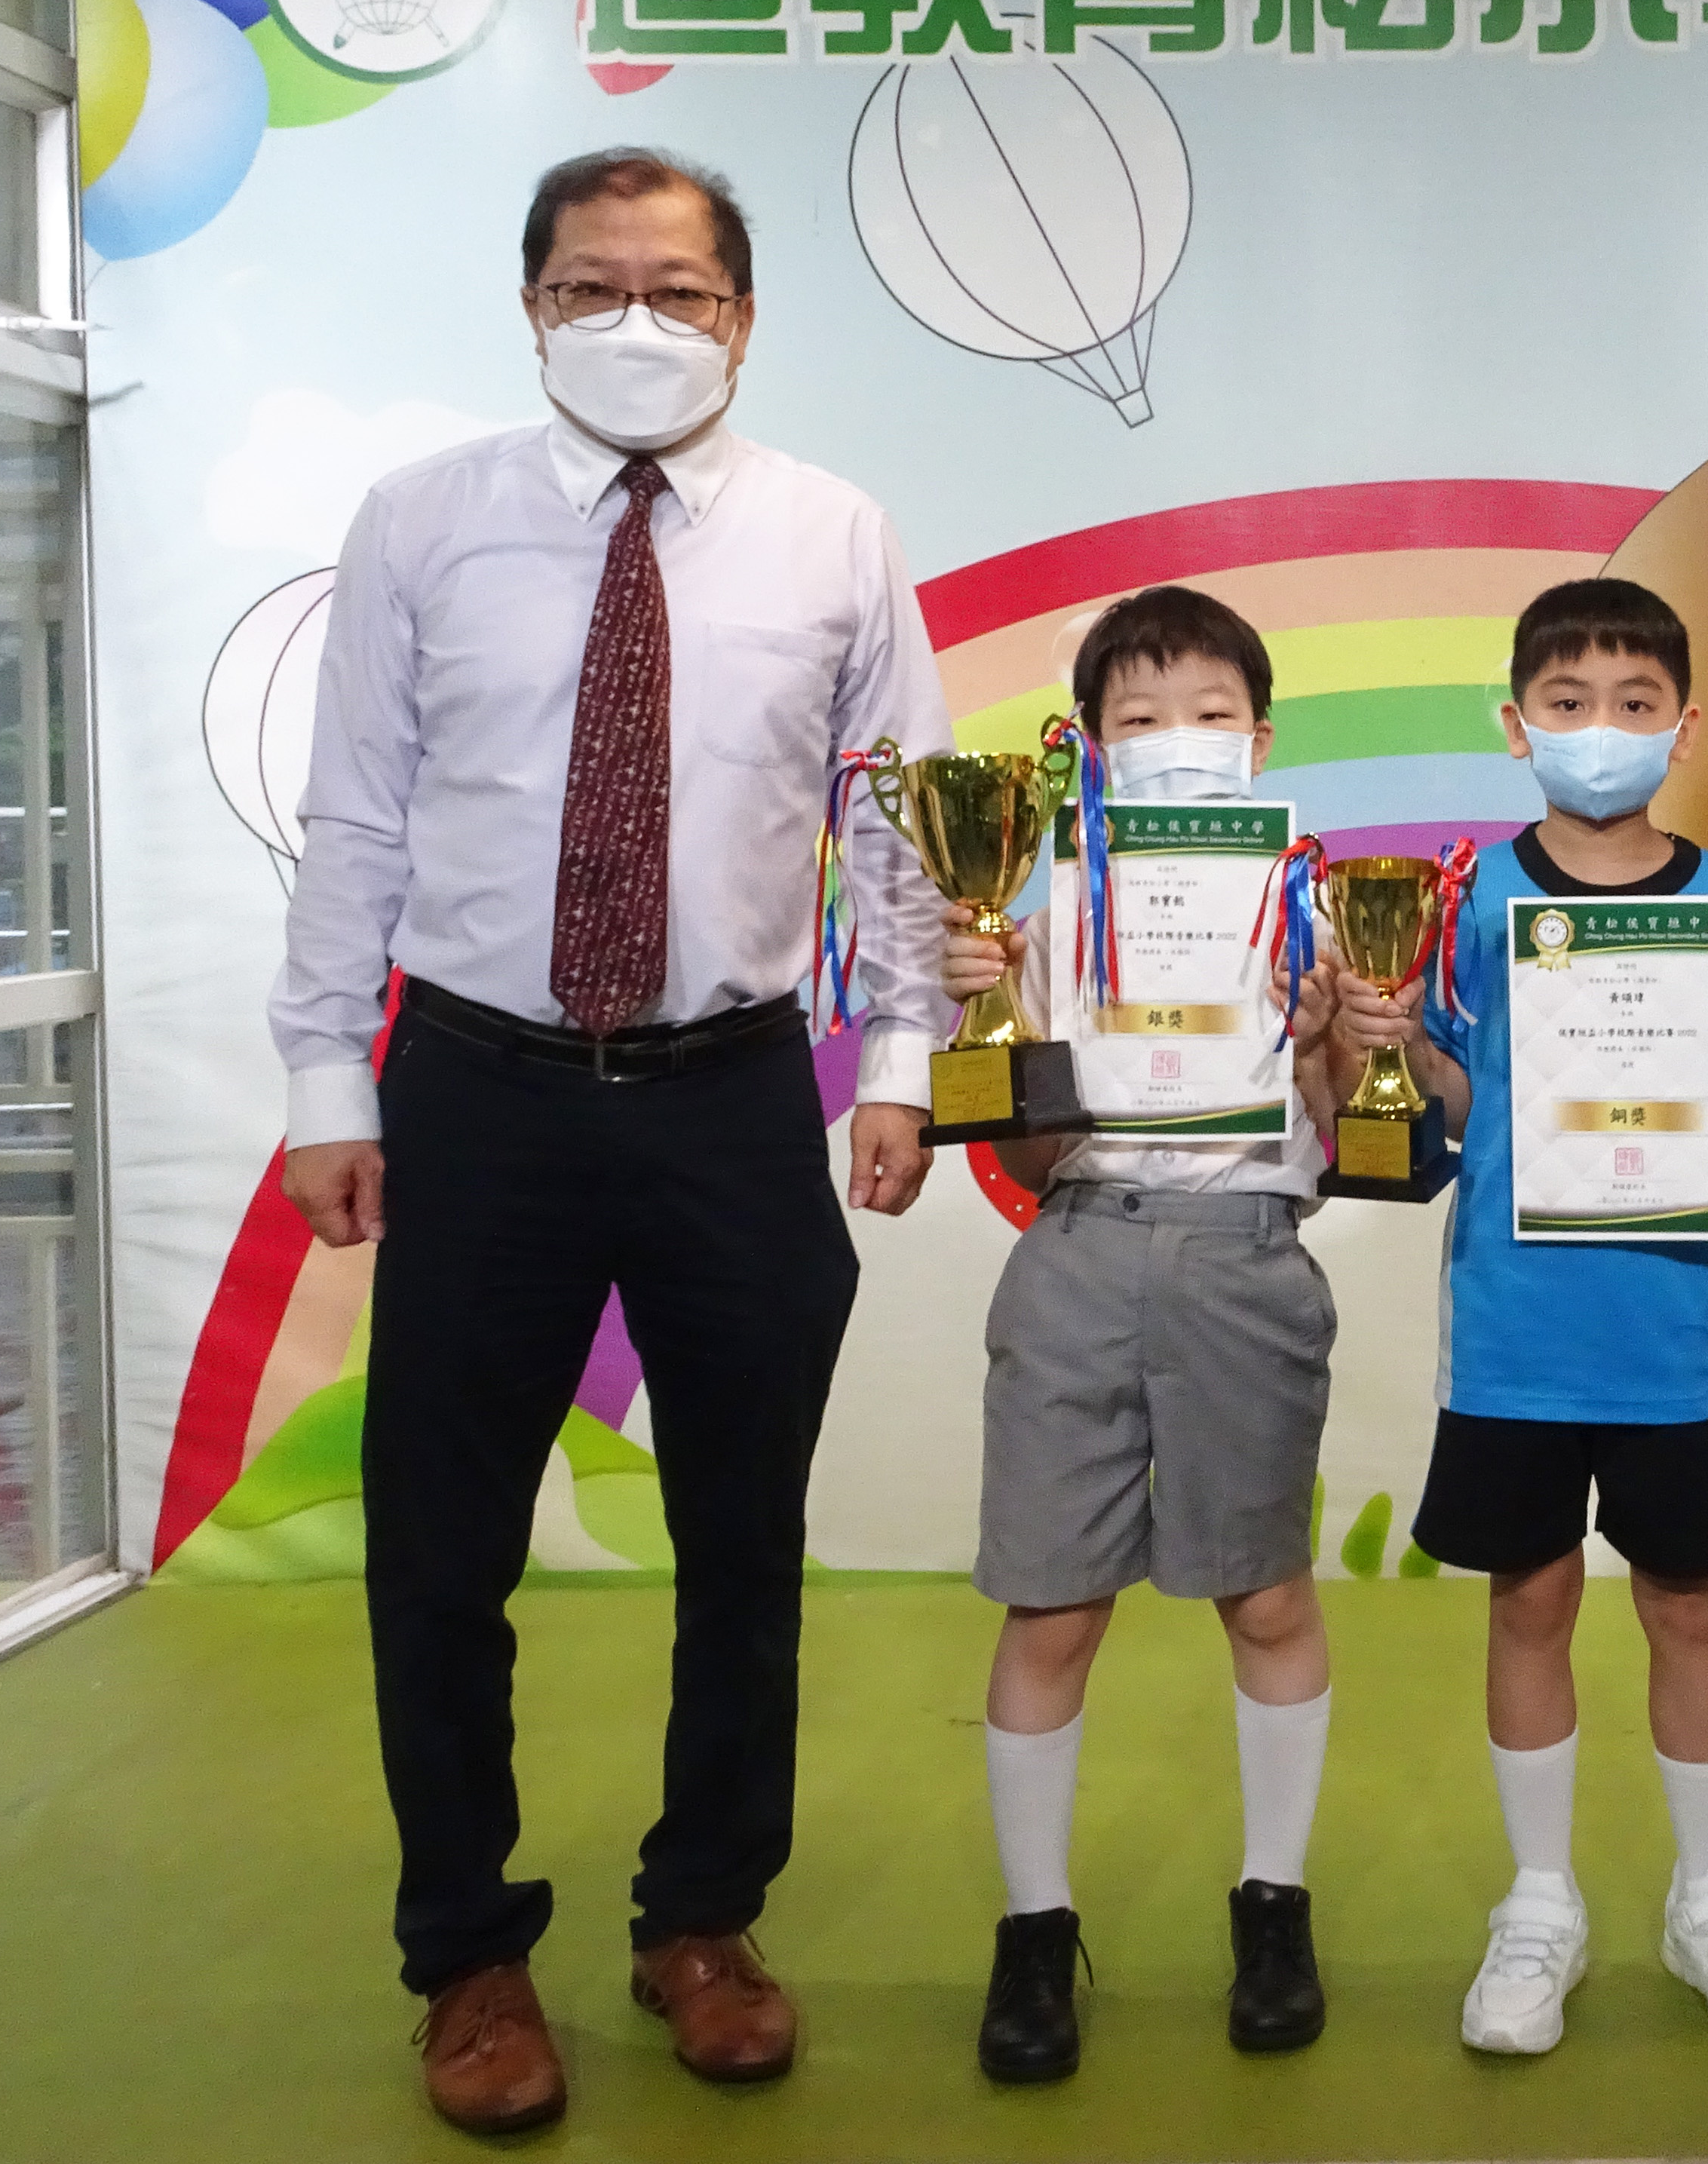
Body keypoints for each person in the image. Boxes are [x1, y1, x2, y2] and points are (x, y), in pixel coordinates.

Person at [268, 149, 951, 2136]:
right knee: (439, 1549)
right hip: (475, 1086)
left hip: (732, 1093)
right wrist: (325, 1080)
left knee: (742, 1539)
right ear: (531, 307)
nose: (636, 323)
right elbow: (355, 815)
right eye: (592, 288)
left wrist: (904, 1055)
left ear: (744, 317)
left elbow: (898, 820)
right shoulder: (422, 522)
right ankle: (467, 1955)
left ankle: (704, 1919)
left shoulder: (834, 533)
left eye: (679, 289)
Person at [1328, 577, 1708, 2058]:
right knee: (1529, 1601)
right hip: (1514, 1329)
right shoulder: (1462, 898)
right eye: (1567, 702)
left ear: (1683, 726)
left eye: (1632, 702)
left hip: (1671, 1333)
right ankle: (1540, 1900)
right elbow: (1461, 1111)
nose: (1599, 727)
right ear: (1516, 722)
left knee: (1686, 1605)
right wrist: (1394, 1037)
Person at [941, 586, 1348, 2084]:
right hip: (1083, 1253)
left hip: (1248, 1258)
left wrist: (1333, 1031)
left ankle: (1274, 1904)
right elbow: (1031, 1156)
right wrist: (987, 1013)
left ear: (1261, 737)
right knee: (1052, 1610)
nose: (1180, 738)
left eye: (1211, 714)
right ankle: (1035, 1929)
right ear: (1094, 747)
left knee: (1267, 1598)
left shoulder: (1315, 905)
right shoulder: (1045, 911)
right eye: (1141, 718)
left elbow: (1345, 1137)